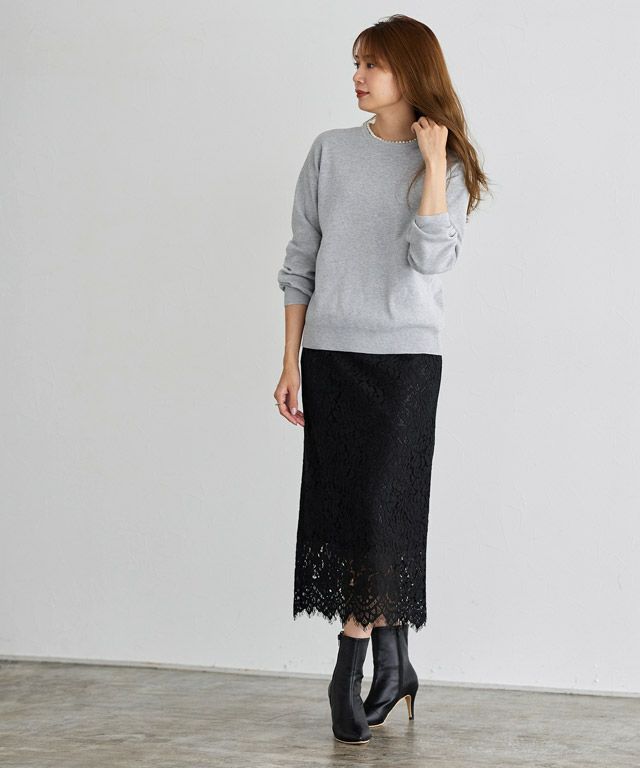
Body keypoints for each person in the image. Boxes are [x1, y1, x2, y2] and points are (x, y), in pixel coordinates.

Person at [274, 14, 489, 745]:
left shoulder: (446, 162)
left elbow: (431, 262)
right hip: (331, 359)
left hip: (404, 364)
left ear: (411, 73)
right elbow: (300, 261)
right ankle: (395, 668)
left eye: (374, 64)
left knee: (380, 510)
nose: (359, 76)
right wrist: (289, 361)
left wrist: (430, 164)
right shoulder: (330, 151)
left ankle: (349, 665)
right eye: (357, 62)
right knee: (353, 513)